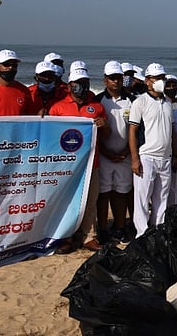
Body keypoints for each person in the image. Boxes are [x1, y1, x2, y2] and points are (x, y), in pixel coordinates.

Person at [51, 65, 109, 253]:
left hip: (92, 163)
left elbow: (107, 135)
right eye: (78, 83)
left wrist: (104, 125)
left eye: (85, 83)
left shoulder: (97, 107)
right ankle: (65, 237)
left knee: (91, 201)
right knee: (66, 201)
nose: (82, 87)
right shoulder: (58, 108)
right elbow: (51, 136)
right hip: (66, 165)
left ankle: (88, 236)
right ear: (69, 85)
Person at [128, 63, 175, 236]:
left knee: (162, 198)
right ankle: (142, 233)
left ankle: (158, 231)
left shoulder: (168, 102)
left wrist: (174, 154)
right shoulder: (140, 102)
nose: (160, 81)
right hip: (146, 156)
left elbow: (171, 130)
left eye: (162, 78)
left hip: (166, 157)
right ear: (147, 81)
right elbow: (132, 131)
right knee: (142, 198)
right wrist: (135, 159)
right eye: (156, 78)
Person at [94, 61, 135, 243]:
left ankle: (120, 227)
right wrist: (106, 152)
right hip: (103, 155)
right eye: (112, 78)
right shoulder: (97, 101)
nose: (116, 81)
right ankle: (102, 229)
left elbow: (136, 130)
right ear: (105, 80)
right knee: (103, 194)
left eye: (118, 77)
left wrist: (127, 152)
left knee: (121, 192)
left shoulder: (132, 100)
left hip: (125, 155)